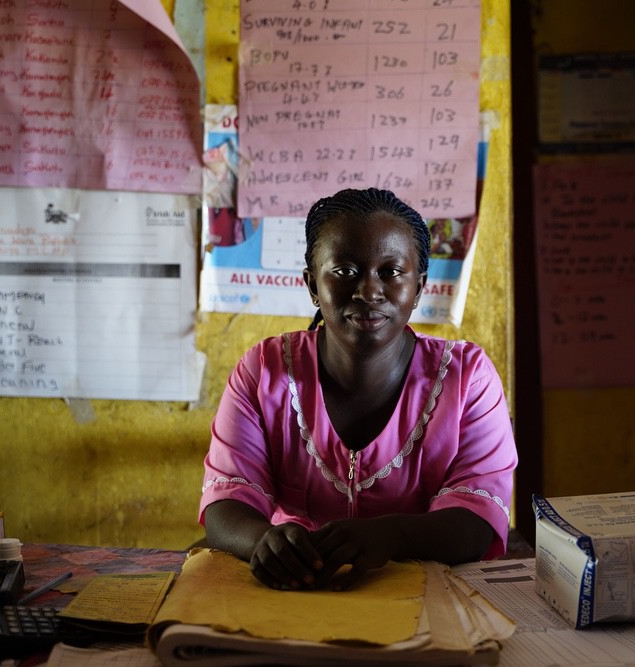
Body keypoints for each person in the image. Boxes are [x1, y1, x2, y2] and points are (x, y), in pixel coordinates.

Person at [199, 188, 517, 591]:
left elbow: (478, 520)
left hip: (426, 594)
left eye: (391, 271)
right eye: (345, 271)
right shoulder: (265, 371)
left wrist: (392, 536)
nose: (368, 292)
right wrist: (265, 541)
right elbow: (227, 502)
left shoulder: (467, 378)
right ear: (313, 286)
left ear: (418, 288)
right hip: (298, 589)